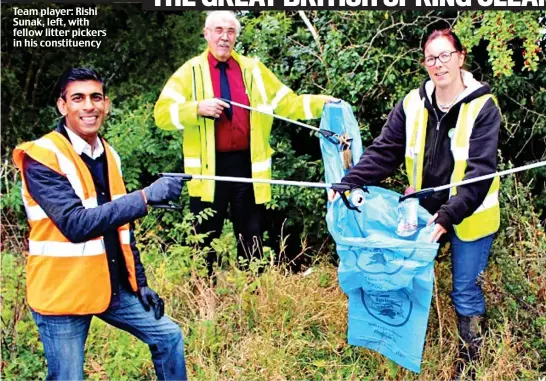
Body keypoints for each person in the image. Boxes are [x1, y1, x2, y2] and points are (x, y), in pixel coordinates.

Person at [330, 29, 501, 378]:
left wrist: (448, 215)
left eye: (445, 56)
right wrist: (350, 181)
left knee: (464, 290)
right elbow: (385, 150)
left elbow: (480, 173)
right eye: (431, 58)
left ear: (461, 57)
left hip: (469, 215)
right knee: (403, 277)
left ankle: (472, 363)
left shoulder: (483, 107)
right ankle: (404, 346)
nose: (439, 65)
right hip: (422, 212)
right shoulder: (413, 102)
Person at [12, 68, 187, 381]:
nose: (88, 106)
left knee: (168, 336)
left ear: (106, 104)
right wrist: (146, 197)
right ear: (62, 106)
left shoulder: (110, 155)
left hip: (108, 285)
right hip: (61, 292)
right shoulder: (42, 155)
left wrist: (140, 283)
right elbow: (75, 224)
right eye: (78, 98)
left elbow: (122, 229)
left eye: (95, 97)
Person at [154, 11, 337, 276]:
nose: (224, 37)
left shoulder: (253, 70)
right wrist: (196, 108)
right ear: (206, 34)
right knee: (204, 239)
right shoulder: (189, 71)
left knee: (251, 238)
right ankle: (206, 301)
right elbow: (161, 114)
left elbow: (288, 103)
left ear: (236, 36)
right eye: (218, 30)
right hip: (208, 170)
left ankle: (254, 299)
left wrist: (323, 103)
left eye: (230, 31)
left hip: (247, 167)